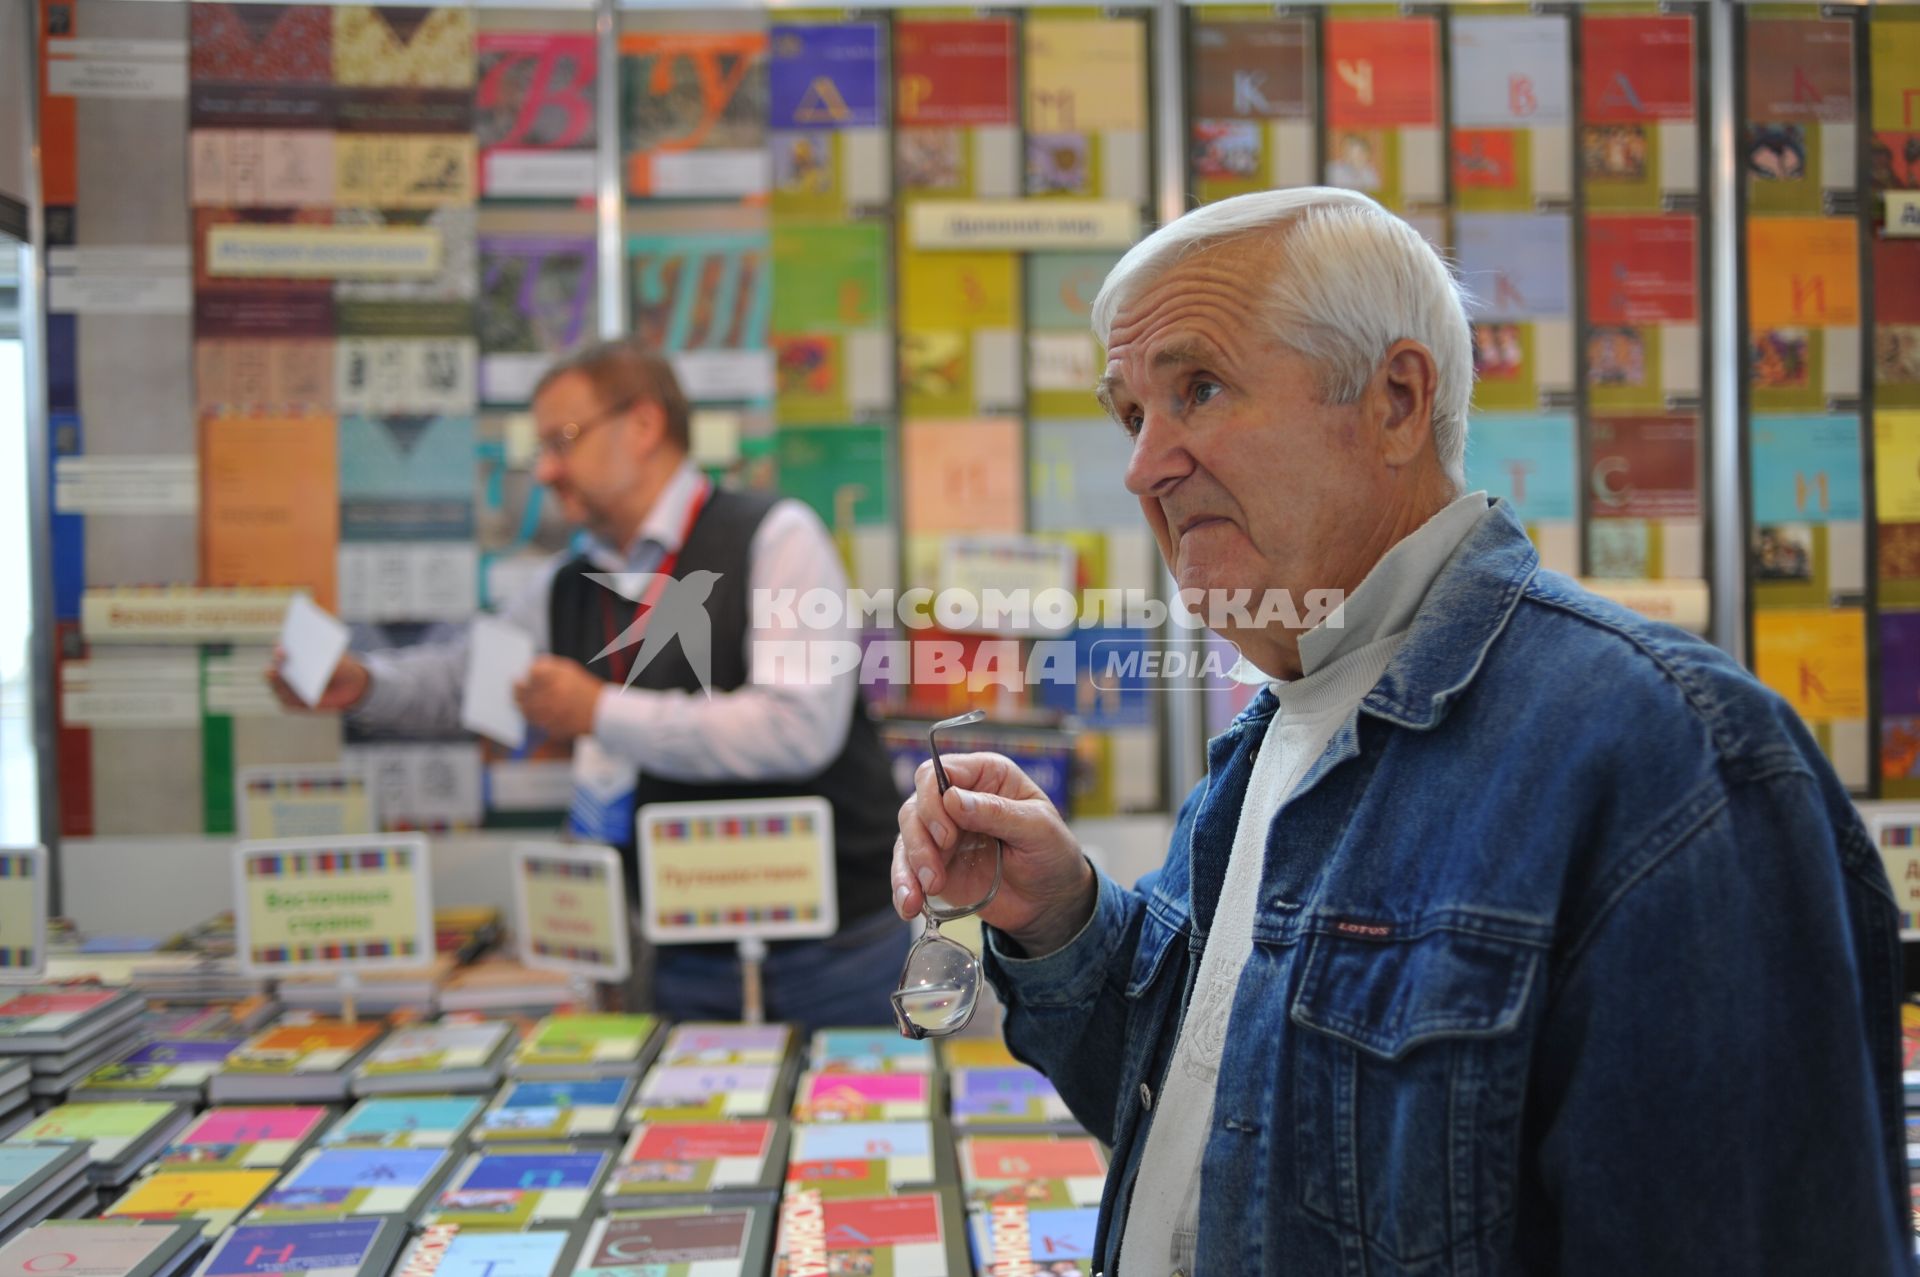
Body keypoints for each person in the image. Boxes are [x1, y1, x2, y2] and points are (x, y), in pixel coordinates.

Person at [891, 188, 1909, 1274]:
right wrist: (1061, 916)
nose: (1144, 467)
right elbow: (1226, 1115)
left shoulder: (1670, 758)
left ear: (1396, 399)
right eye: (1132, 414)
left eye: (1198, 388)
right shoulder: (1280, 716)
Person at [269, 338, 906, 1032]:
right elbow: (463, 682)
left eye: (562, 440)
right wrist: (364, 684)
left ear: (643, 424)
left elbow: (796, 727)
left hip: (838, 951)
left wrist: (598, 710)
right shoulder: (567, 586)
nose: (544, 470)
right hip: (686, 954)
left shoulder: (776, 538)